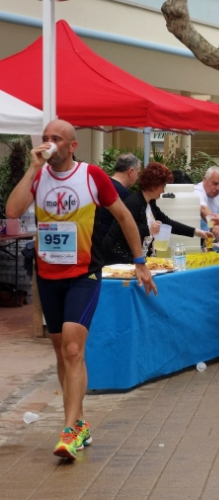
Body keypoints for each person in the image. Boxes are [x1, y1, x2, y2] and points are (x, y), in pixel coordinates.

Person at [6, 119, 156, 460]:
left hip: (82, 274)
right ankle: (78, 422)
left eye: (57, 138)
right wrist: (32, 168)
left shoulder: (91, 176)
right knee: (63, 353)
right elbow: (12, 211)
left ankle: (69, 431)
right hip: (48, 275)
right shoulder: (38, 176)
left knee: (74, 349)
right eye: (46, 137)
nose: (49, 143)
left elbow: (124, 216)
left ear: (72, 146)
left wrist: (140, 261)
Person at [103, 163, 212, 264]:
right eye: (163, 186)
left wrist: (197, 232)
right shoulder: (133, 203)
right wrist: (148, 230)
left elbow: (168, 223)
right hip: (118, 260)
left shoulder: (151, 203)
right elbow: (122, 231)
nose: (163, 191)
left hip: (135, 259)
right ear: (154, 185)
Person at [96, 153, 140, 237]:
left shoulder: (103, 184)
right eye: (137, 173)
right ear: (131, 171)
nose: (137, 178)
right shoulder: (124, 195)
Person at [194, 166, 219, 241]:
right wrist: (214, 225)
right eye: (214, 183)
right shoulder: (197, 191)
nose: (218, 188)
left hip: (207, 241)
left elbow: (216, 226)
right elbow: (203, 208)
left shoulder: (217, 195)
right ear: (205, 179)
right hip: (194, 240)